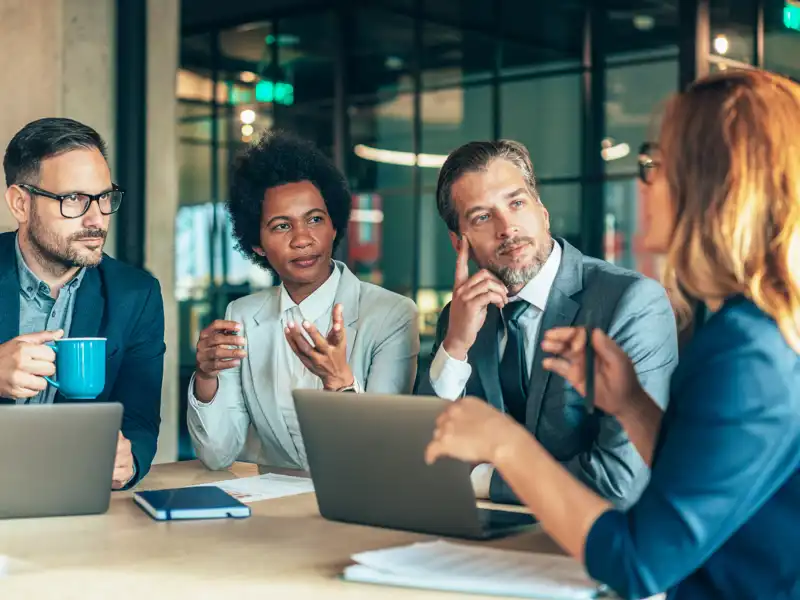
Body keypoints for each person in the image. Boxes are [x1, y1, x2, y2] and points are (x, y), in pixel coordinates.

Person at [425, 70, 800, 600]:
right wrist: (631, 406)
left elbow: (640, 560)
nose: (642, 184)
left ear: (714, 188)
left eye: (656, 166)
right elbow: (697, 484)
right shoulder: (749, 329)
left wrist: (505, 446)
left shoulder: (748, 353)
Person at [415, 139, 678, 507]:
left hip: (592, 548)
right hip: (482, 542)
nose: (507, 227)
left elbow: (619, 481)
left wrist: (484, 480)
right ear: (459, 241)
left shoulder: (630, 303)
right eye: (482, 217)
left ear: (542, 211)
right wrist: (455, 347)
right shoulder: (461, 317)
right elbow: (421, 457)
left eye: (517, 203)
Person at [188, 130, 420, 471]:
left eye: (315, 220)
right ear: (258, 245)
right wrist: (206, 376)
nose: (302, 239)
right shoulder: (242, 315)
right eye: (282, 226)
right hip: (277, 512)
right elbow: (217, 454)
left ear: (334, 227)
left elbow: (380, 455)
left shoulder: (391, 315)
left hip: (362, 509)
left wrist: (340, 382)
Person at [1, 117, 165, 490]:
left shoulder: (136, 295)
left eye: (104, 197)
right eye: (73, 199)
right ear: (20, 204)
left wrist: (130, 459)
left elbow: (139, 421)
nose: (96, 219)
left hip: (73, 499)